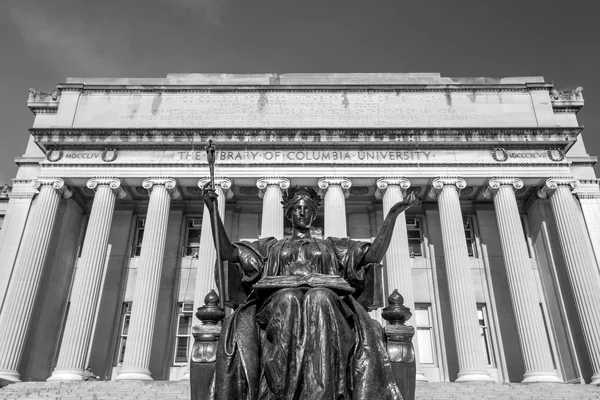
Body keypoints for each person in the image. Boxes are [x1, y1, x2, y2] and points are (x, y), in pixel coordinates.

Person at [203, 185, 418, 400]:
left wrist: (392, 215)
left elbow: (372, 256)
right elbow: (229, 254)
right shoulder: (271, 247)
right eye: (297, 208)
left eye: (307, 208)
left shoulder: (332, 247)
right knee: (289, 298)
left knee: (319, 297)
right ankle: (283, 393)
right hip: (279, 304)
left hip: (327, 303)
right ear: (289, 213)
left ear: (314, 213)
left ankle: (322, 393)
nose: (302, 212)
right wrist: (213, 212)